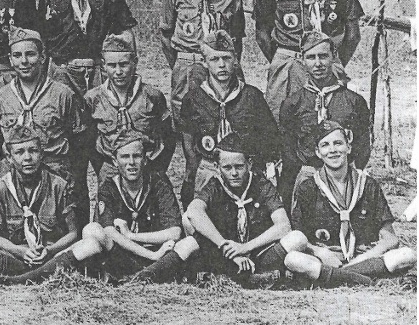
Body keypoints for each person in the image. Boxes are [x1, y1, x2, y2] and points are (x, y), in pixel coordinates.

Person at [132, 134, 291, 285]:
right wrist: (224, 245)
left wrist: (245, 247)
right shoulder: (215, 185)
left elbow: (284, 225)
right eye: (227, 167)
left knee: (296, 238)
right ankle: (146, 276)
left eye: (239, 167)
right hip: (225, 254)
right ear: (217, 167)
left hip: (257, 252)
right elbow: (194, 211)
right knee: (188, 235)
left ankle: (241, 276)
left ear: (249, 164)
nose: (234, 173)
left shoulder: (261, 185)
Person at [279, 121, 416, 286]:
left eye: (338, 143)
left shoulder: (368, 184)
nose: (332, 150)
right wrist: (320, 252)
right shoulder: (308, 187)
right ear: (318, 152)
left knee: (407, 255)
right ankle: (364, 279)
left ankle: (338, 276)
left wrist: (365, 258)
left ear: (348, 147)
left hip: (364, 257)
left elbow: (390, 238)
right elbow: (298, 236)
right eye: (325, 145)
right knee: (293, 259)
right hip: (326, 258)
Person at [0, 28, 87, 229]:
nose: (24, 61)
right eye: (17, 55)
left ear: (43, 57)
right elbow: (1, 138)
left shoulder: (62, 94)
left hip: (54, 174)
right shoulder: (2, 96)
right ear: (10, 59)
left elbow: (78, 141)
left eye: (30, 54)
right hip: (17, 175)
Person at [62, 133, 183, 284]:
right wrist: (151, 255)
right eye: (125, 157)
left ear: (145, 159)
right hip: (127, 257)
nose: (131, 162)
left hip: (158, 255)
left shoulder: (159, 184)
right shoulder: (108, 187)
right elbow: (108, 231)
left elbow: (175, 232)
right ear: (115, 161)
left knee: (186, 244)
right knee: (91, 230)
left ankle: (140, 277)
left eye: (136, 156)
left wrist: (131, 236)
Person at [0, 125, 80, 282]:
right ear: (9, 157)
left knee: (90, 245)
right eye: (19, 152)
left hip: (51, 254)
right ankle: (43, 274)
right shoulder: (0, 189)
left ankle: (16, 279)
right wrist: (19, 251)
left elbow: (73, 233)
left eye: (33, 151)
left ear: (41, 154)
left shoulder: (58, 185)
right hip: (16, 255)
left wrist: (50, 250)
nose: (27, 158)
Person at [179, 31, 278, 206]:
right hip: (209, 168)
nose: (221, 65)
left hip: (243, 171)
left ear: (235, 60)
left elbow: (269, 139)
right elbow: (188, 141)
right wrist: (194, 171)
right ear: (204, 62)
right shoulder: (193, 99)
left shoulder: (252, 96)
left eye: (226, 58)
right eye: (214, 59)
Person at [159, 0, 245, 119]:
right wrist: (182, 64)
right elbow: (165, 35)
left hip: (222, 66)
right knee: (186, 118)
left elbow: (237, 40)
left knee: (227, 114)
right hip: (189, 65)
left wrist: (227, 64)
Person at [278, 31, 371, 209]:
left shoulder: (354, 101)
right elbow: (288, 152)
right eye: (311, 57)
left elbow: (362, 147)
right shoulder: (292, 103)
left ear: (333, 57)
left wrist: (347, 175)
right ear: (302, 60)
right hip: (307, 179)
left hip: (344, 179)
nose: (318, 63)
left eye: (323, 56)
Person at [84, 32, 174, 180]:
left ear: (135, 62)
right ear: (104, 65)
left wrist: (157, 169)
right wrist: (102, 169)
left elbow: (168, 137)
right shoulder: (93, 99)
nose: (118, 72)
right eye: (112, 65)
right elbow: (89, 142)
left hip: (147, 169)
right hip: (110, 171)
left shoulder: (152, 96)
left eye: (124, 64)